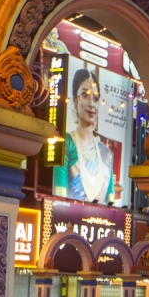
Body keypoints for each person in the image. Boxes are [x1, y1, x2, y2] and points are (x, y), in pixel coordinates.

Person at [55, 69, 117, 204]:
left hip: (104, 223)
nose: (91, 104)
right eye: (84, 95)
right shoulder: (65, 143)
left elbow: (112, 205)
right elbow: (59, 199)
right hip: (68, 221)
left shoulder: (106, 154)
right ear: (75, 100)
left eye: (95, 98)